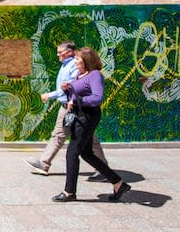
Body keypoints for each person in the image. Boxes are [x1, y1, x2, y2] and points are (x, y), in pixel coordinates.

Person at [52, 47, 131, 202]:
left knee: (72, 152)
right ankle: (118, 183)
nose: (75, 61)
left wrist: (76, 100)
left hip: (87, 117)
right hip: (79, 115)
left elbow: (97, 98)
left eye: (78, 59)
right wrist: (68, 90)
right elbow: (78, 94)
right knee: (86, 153)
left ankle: (69, 192)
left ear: (86, 61)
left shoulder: (95, 75)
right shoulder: (81, 75)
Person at [26, 41, 109, 181]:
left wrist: (51, 95)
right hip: (68, 106)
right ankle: (44, 164)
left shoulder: (76, 66)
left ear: (70, 52)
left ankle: (103, 170)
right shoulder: (66, 65)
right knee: (63, 135)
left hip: (75, 109)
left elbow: (85, 92)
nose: (58, 54)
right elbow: (71, 85)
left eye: (60, 52)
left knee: (80, 140)